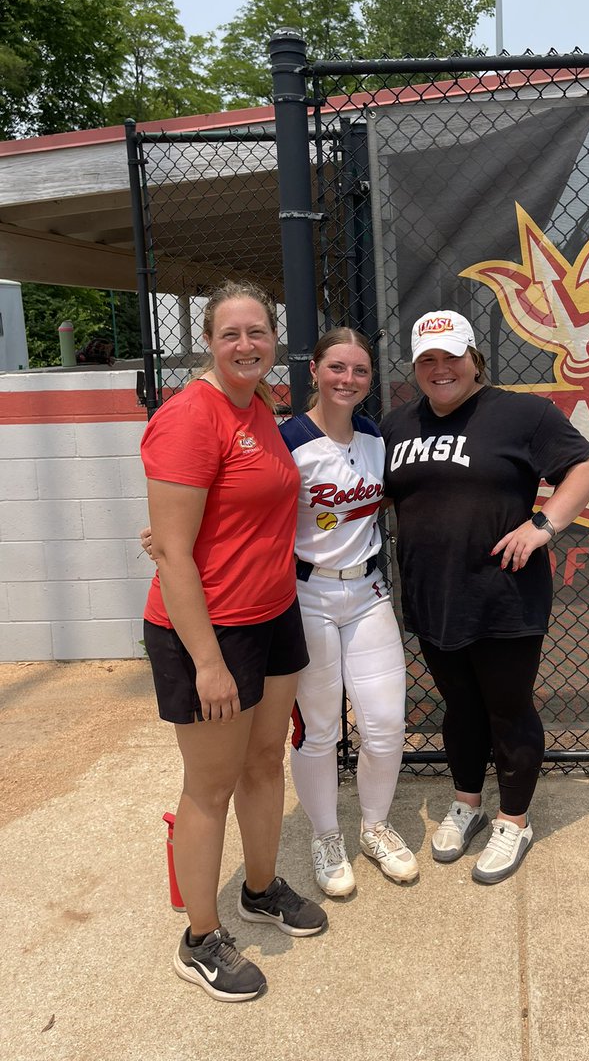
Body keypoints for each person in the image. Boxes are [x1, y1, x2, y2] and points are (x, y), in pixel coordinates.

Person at [140, 280, 326, 1003]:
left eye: (257, 332)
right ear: (209, 342)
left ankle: (259, 888)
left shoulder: (262, 404)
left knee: (264, 762)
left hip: (274, 615)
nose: (246, 345)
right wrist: (208, 662)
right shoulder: (191, 415)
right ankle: (199, 940)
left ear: (274, 340)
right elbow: (174, 553)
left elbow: (222, 516)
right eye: (230, 334)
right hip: (209, 632)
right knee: (210, 787)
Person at [381, 310, 589, 884]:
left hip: (504, 594)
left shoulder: (522, 413)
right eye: (427, 360)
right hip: (433, 593)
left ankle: (514, 820)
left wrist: (544, 525)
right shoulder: (397, 424)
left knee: (508, 707)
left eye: (451, 357)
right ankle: (467, 804)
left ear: (474, 358)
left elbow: (585, 464)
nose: (440, 369)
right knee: (459, 706)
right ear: (415, 367)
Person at [280, 328, 417, 897]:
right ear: (314, 370)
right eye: (337, 367)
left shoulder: (376, 437)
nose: (348, 379)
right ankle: (326, 835)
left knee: (385, 724)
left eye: (360, 370)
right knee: (319, 729)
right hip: (307, 592)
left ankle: (375, 827)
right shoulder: (289, 439)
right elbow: (243, 501)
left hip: (367, 590)